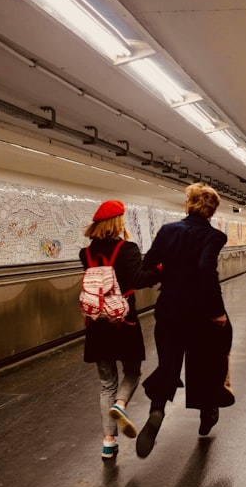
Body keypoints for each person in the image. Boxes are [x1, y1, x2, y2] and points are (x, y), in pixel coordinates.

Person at [137, 182, 235, 458]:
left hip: (169, 307)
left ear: (189, 204)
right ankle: (208, 410)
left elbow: (149, 265)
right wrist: (217, 310)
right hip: (200, 312)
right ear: (212, 209)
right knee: (207, 359)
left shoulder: (168, 231)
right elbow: (206, 271)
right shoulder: (214, 236)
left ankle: (157, 408)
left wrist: (168, 272)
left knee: (169, 362)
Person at [80, 200, 161, 462]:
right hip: (123, 322)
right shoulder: (127, 249)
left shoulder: (86, 253)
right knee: (133, 371)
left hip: (96, 325)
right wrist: (160, 270)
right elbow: (138, 279)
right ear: (117, 222)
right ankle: (121, 404)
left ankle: (108, 443)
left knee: (106, 383)